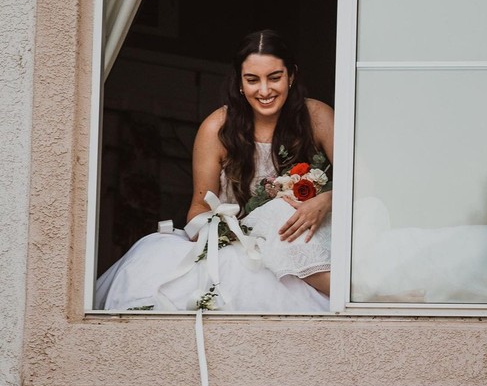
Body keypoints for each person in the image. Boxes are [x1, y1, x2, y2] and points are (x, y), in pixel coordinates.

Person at [96, 30, 333, 313]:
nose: (265, 90)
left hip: (304, 242)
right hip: (242, 245)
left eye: (274, 77)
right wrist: (235, 235)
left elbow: (363, 182)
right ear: (240, 83)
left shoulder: (316, 116)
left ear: (291, 76)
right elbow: (198, 210)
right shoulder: (217, 128)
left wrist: (326, 199)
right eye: (252, 80)